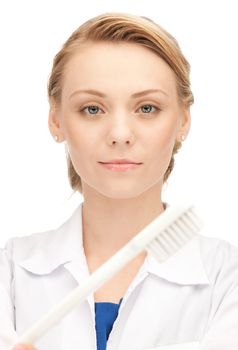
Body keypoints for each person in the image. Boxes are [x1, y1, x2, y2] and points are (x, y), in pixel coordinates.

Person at [1, 12, 238, 350]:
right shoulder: (10, 272)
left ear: (183, 121)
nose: (120, 135)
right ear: (56, 120)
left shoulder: (228, 278)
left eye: (147, 108)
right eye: (92, 109)